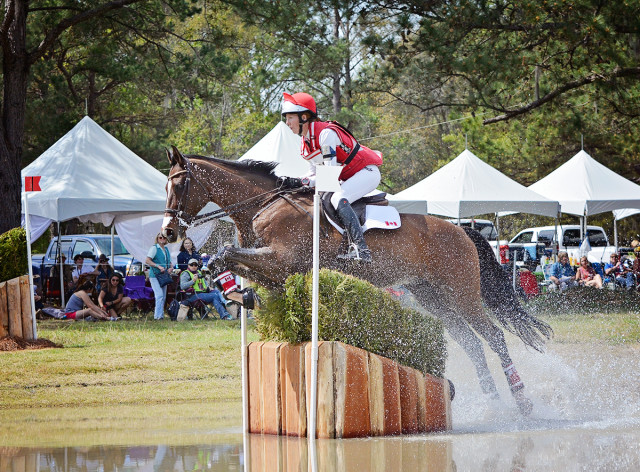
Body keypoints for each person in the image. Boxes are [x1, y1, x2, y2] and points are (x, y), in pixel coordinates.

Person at [280, 92, 383, 263]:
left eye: (290, 118)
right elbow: (312, 173)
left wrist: (303, 182)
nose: (287, 123)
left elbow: (329, 177)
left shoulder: (325, 135)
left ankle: (361, 249)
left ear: (304, 117)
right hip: (350, 176)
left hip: (367, 172)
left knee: (338, 198)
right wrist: (292, 181)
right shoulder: (305, 144)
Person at [145, 233, 174, 320]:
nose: (162, 239)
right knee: (159, 295)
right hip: (155, 275)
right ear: (157, 238)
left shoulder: (166, 249)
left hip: (164, 276)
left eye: (164, 237)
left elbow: (169, 262)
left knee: (163, 296)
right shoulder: (154, 248)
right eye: (160, 237)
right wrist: (158, 266)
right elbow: (147, 260)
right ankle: (157, 317)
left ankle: (160, 315)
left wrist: (171, 268)